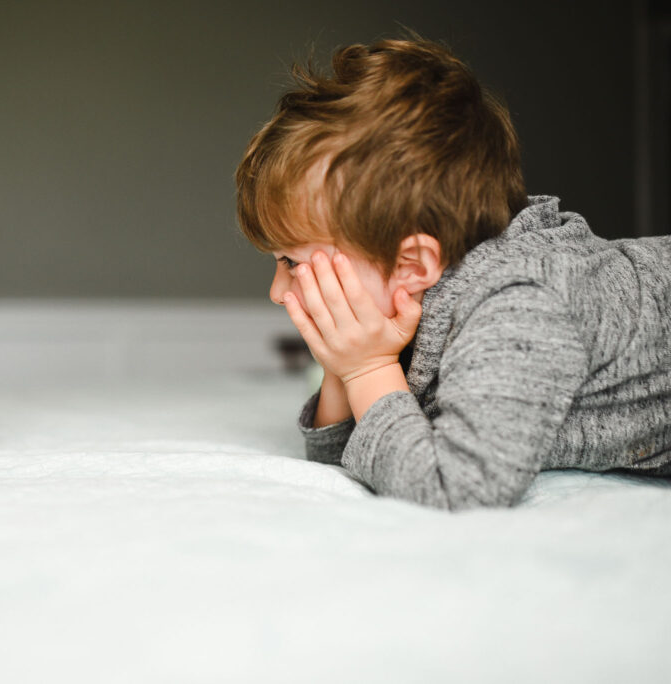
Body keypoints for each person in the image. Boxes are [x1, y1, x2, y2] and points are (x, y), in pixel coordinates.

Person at [235, 37, 671, 509]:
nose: (279, 292)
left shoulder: (520, 302)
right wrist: (346, 369)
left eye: (292, 263)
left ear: (413, 264)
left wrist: (369, 368)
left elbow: (459, 488)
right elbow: (347, 452)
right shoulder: (421, 291)